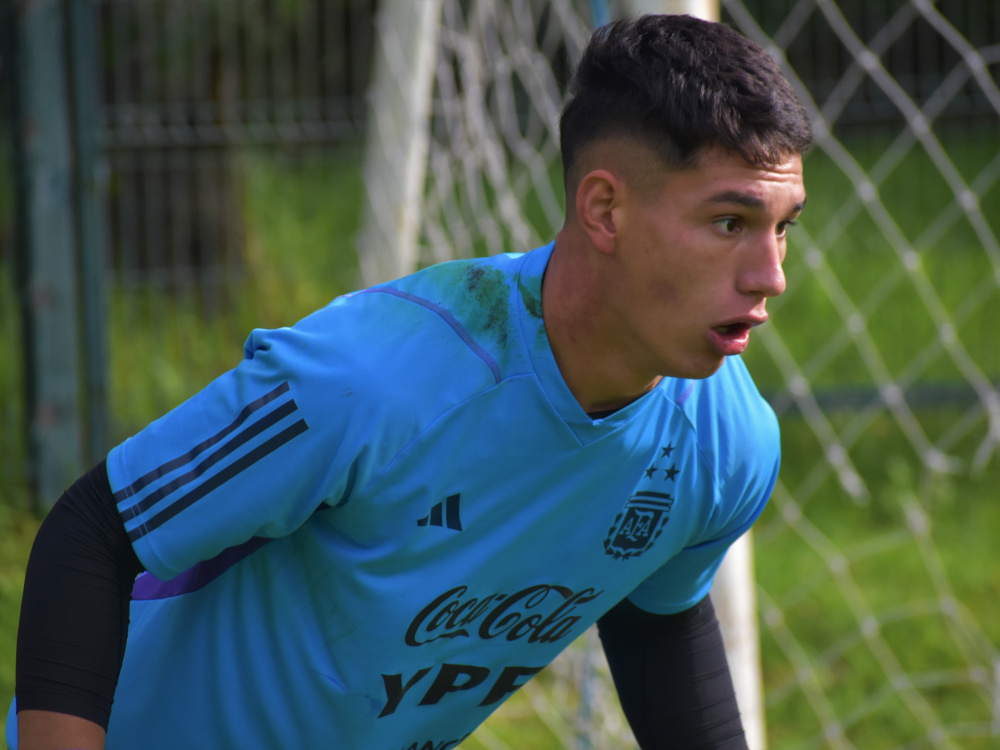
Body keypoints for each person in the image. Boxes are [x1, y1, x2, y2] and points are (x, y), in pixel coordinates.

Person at [9, 13, 811, 750]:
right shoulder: (372, 377)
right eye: (730, 224)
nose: (770, 276)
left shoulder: (724, 443)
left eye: (784, 228)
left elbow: (656, 621)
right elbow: (93, 534)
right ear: (604, 210)